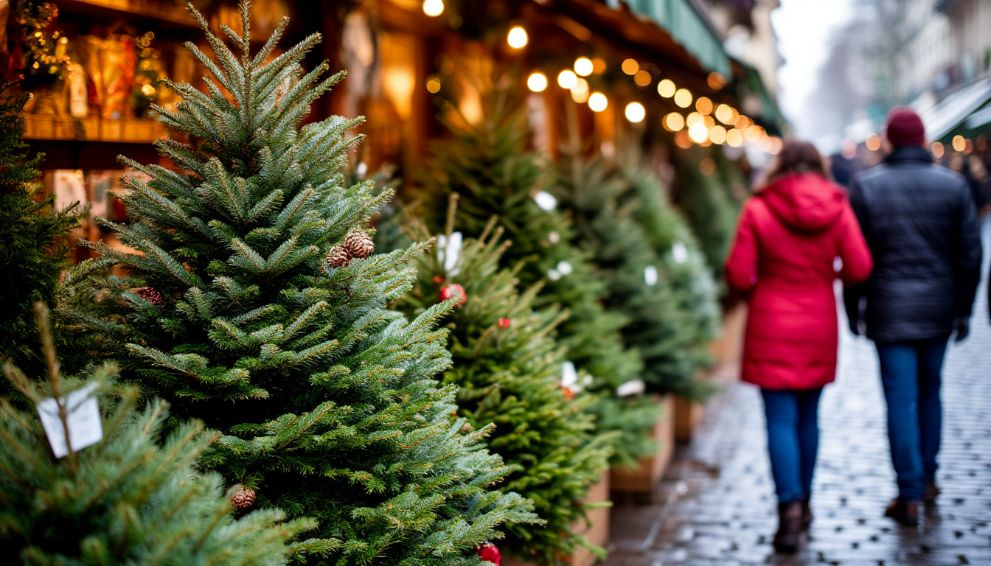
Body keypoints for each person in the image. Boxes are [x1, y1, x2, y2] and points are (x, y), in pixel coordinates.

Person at [725, 140, 873, 554]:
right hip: (818, 322)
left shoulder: (758, 208)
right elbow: (860, 266)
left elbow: (737, 273)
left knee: (779, 421)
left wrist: (763, 287)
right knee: (809, 419)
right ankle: (804, 503)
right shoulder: (837, 206)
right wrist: (826, 273)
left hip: (771, 321)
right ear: (819, 166)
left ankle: (788, 508)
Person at [844, 107, 983, 527]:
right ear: (922, 140)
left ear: (889, 140)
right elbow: (970, 255)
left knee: (900, 402)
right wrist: (963, 309)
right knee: (929, 395)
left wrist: (855, 310)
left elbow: (856, 260)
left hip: (889, 311)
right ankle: (927, 478)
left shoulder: (866, 187)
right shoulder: (954, 186)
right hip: (938, 309)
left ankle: (908, 492)